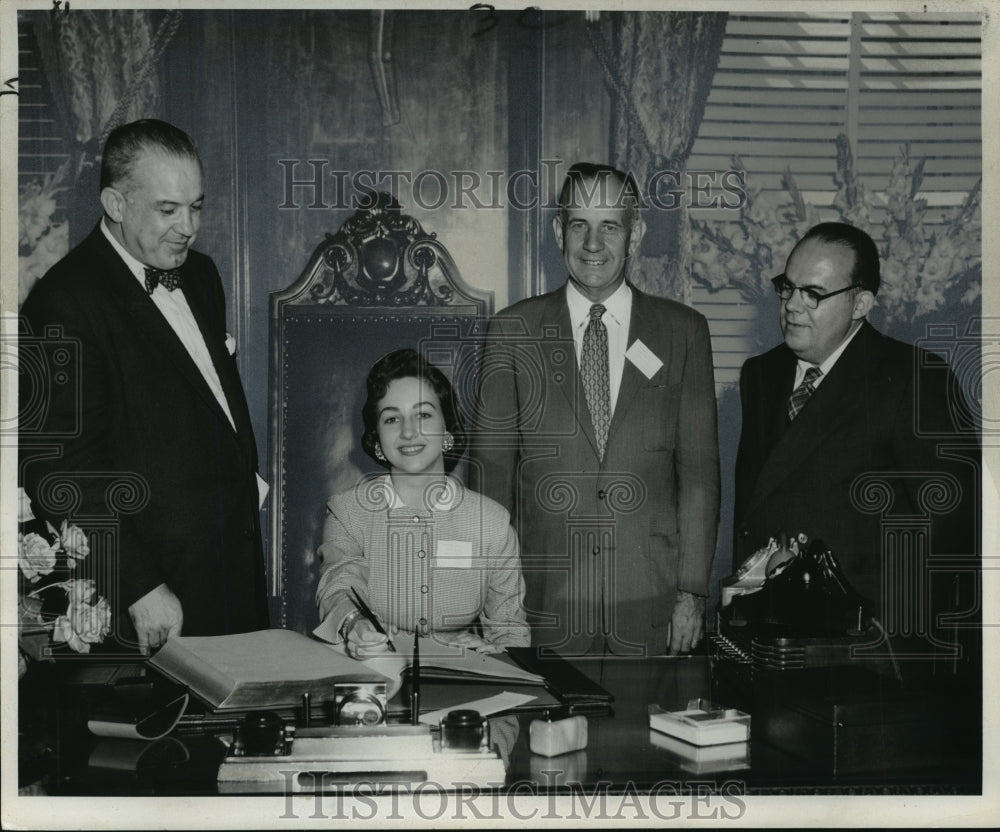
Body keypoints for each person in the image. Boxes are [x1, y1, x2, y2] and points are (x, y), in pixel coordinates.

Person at [20, 119, 268, 649]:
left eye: (196, 206)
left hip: (228, 573)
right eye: (167, 209)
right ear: (114, 203)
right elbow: (60, 467)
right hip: (154, 596)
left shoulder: (200, 275)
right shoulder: (62, 301)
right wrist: (138, 586)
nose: (188, 227)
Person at [469, 163, 720, 657]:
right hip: (542, 603)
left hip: (652, 600)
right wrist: (492, 599)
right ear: (558, 231)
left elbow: (698, 477)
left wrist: (691, 592)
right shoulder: (512, 331)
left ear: (636, 234)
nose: (593, 244)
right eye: (579, 224)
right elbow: (490, 482)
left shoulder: (683, 331)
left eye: (610, 225)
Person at [734, 222, 979, 658]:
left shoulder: (916, 377)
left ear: (860, 303)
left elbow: (950, 529)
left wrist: (882, 635)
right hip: (768, 631)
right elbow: (752, 508)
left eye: (813, 293)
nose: (791, 305)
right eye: (787, 287)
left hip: (860, 644)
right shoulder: (761, 374)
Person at [313, 349, 530, 658]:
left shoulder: (491, 522)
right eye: (391, 418)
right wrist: (354, 623)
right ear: (377, 441)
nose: (408, 431)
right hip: (373, 673)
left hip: (464, 683)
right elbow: (339, 584)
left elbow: (511, 629)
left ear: (447, 432)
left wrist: (494, 652)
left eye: (424, 414)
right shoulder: (348, 512)